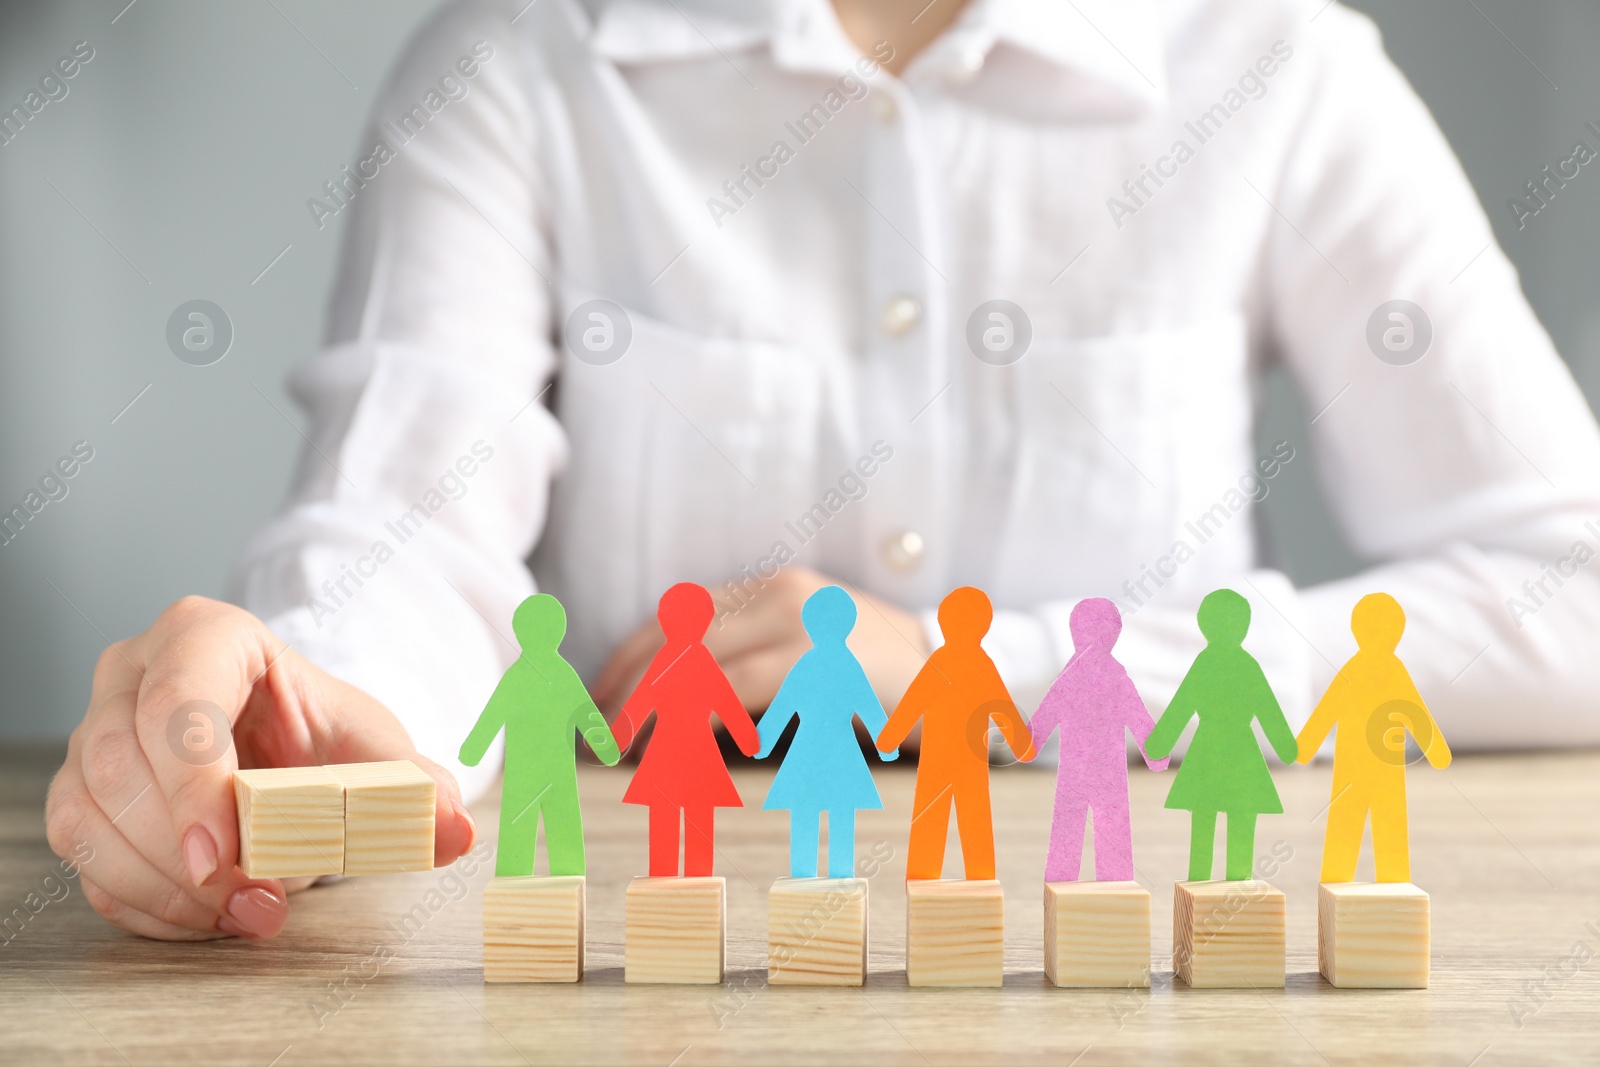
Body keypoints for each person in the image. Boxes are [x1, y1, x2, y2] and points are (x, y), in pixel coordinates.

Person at [47, 0, 1600, 939]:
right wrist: (294, 709)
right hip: (661, 967)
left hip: (1121, 968)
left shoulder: (1279, 65)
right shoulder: (526, 64)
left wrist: (1000, 679)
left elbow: (1571, 589)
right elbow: (401, 540)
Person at [876, 587, 1035, 880]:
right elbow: (1001, 707)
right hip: (966, 761)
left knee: (933, 818)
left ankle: (969, 878)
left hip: (942, 760)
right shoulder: (978, 663)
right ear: (985, 626)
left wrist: (889, 739)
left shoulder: (943, 661)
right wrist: (1021, 745)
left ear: (941, 622)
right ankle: (976, 876)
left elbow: (912, 704)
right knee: (972, 818)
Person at [458, 593, 621, 877]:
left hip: (531, 771)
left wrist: (473, 751)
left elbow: (492, 717)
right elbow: (587, 715)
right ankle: (525, 880)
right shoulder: (559, 675)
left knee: (529, 823)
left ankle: (540, 879)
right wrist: (606, 748)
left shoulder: (520, 676)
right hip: (551, 770)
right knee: (557, 823)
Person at [1295, 593, 1451, 883]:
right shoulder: (1380, 670)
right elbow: (1414, 713)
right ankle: (1342, 883)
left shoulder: (1370, 670)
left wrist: (1303, 750)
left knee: (1377, 824)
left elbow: (1412, 712)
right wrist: (1437, 754)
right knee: (1361, 823)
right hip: (1369, 769)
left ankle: (1387, 883)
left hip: (1371, 769)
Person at [1145, 589, 1299, 882]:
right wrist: (1286, 748)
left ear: (1205, 626)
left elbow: (1181, 707)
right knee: (1238, 816)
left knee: (1207, 817)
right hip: (1238, 753)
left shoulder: (1208, 663)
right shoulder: (1243, 665)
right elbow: (1267, 710)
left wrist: (1159, 743)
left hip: (1210, 751)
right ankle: (1219, 880)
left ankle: (1212, 878)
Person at [610, 583, 760, 877]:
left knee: (677, 811)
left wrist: (614, 739)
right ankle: (680, 875)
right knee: (696, 811)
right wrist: (748, 740)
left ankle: (688, 876)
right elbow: (726, 702)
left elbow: (642, 700)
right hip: (690, 750)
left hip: (670, 750)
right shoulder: (689, 659)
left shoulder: (673, 659)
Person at [755, 585, 899, 880]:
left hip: (810, 751)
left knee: (808, 811)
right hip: (839, 752)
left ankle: (819, 877)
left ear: (809, 624)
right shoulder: (847, 664)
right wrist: (885, 744)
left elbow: (784, 705)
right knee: (839, 811)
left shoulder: (808, 664)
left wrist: (763, 741)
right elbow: (868, 706)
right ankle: (829, 876)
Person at [1029, 598, 1168, 883]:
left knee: (1078, 829)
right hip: (1104, 773)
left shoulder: (1075, 678)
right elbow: (1139, 717)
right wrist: (1155, 754)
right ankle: (1082, 883)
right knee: (1097, 828)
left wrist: (1027, 745)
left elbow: (1042, 722)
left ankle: (1080, 883)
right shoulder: (1109, 678)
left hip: (1081, 772)